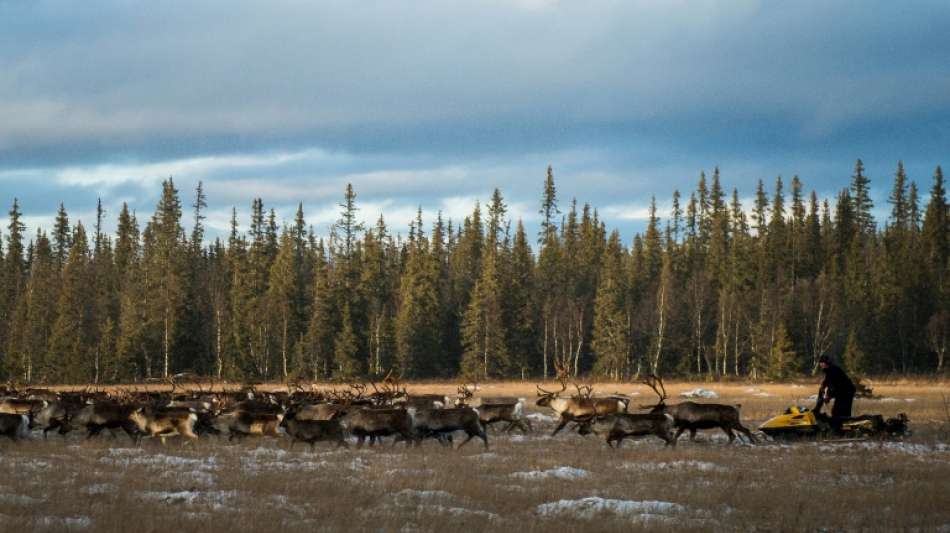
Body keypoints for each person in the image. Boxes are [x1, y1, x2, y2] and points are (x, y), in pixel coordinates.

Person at [817, 355, 855, 434]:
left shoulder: (833, 370)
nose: (820, 365)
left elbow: (836, 386)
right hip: (843, 392)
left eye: (821, 363)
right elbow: (827, 382)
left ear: (825, 363)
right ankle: (842, 429)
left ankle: (840, 431)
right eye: (820, 363)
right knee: (839, 412)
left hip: (846, 392)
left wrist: (829, 396)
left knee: (838, 412)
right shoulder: (829, 370)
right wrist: (823, 387)